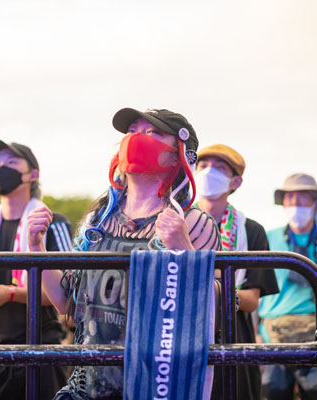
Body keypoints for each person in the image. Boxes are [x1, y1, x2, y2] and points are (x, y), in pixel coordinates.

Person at [27, 108, 222, 399]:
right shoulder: (98, 220)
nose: (137, 138)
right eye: (132, 131)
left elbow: (215, 313)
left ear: (179, 156)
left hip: (154, 387)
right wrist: (36, 248)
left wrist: (185, 252)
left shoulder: (193, 223)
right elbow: (65, 301)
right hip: (86, 386)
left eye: (153, 132)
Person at [0, 140, 72, 400]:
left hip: (40, 349)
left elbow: (66, 294)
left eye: (11, 162)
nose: (1, 169)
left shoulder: (52, 223)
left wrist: (10, 293)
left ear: (33, 175)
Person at [194, 144, 279, 400]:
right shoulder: (176, 223)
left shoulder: (251, 230)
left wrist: (208, 285)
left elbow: (251, 301)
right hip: (185, 332)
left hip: (234, 334)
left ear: (236, 181)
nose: (209, 172)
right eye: (203, 166)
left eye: (219, 168)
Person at [257, 173, 317, 400]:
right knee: (273, 392)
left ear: (316, 202)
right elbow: (256, 289)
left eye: (303, 196)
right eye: (289, 197)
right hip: (272, 334)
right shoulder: (267, 238)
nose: (295, 202)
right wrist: (256, 333)